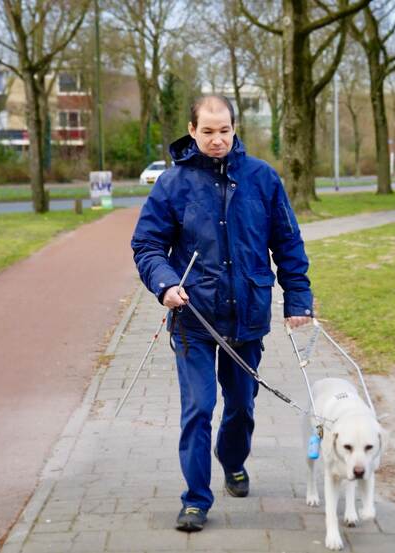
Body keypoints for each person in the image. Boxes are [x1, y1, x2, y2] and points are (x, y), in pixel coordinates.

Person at [131, 95, 313, 532]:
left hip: (247, 316)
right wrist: (164, 284)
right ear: (192, 131)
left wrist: (298, 300)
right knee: (199, 408)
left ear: (235, 129)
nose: (217, 140)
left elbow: (288, 244)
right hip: (193, 319)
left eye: (224, 131)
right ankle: (196, 499)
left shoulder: (263, 179)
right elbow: (147, 245)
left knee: (242, 407)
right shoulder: (172, 185)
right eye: (208, 131)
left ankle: (233, 460)